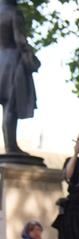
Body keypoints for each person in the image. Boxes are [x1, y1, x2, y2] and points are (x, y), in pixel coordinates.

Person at [0, 0, 38, 154]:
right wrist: (32, 59)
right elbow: (20, 40)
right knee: (10, 107)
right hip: (12, 62)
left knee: (5, 107)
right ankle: (11, 147)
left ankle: (10, 146)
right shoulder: (14, 12)